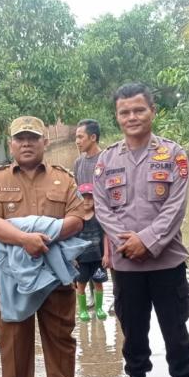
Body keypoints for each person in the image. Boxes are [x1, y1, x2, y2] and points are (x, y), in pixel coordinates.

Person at [92, 83, 189, 377]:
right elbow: (101, 207)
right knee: (132, 330)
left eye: (139, 110)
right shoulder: (105, 160)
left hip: (166, 263)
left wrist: (148, 241)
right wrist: (126, 244)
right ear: (117, 116)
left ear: (153, 111)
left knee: (175, 330)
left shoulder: (173, 155)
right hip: (126, 264)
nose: (132, 117)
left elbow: (175, 207)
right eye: (125, 112)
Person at [0, 116, 89, 377]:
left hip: (55, 274)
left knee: (61, 336)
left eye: (33, 138)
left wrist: (43, 237)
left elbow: (78, 219)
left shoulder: (63, 179)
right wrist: (25, 239)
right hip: (13, 278)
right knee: (13, 339)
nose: (26, 144)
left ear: (45, 142)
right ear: (11, 144)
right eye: (20, 138)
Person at [73, 120, 107, 318]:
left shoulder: (106, 159)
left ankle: (111, 298)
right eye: (76, 137)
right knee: (88, 260)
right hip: (86, 220)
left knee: (105, 259)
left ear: (93, 137)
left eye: (80, 137)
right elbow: (75, 192)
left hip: (105, 220)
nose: (77, 141)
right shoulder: (78, 162)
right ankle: (91, 299)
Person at [74, 183, 108, 321]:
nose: (87, 201)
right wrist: (72, 257)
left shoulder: (99, 216)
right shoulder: (76, 218)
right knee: (81, 284)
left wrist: (106, 254)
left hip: (97, 258)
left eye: (90, 198)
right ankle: (82, 310)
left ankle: (99, 308)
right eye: (83, 197)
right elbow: (71, 238)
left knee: (98, 283)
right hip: (81, 260)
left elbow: (105, 236)